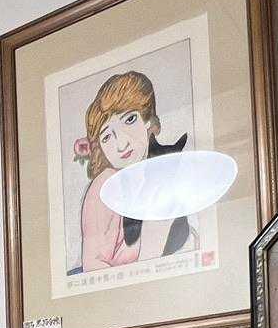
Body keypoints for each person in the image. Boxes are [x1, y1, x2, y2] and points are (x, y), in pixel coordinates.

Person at [75, 71, 195, 274]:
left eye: (130, 120)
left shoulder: (162, 171)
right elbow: (93, 267)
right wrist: (150, 246)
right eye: (107, 137)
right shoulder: (105, 186)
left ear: (147, 120)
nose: (121, 144)